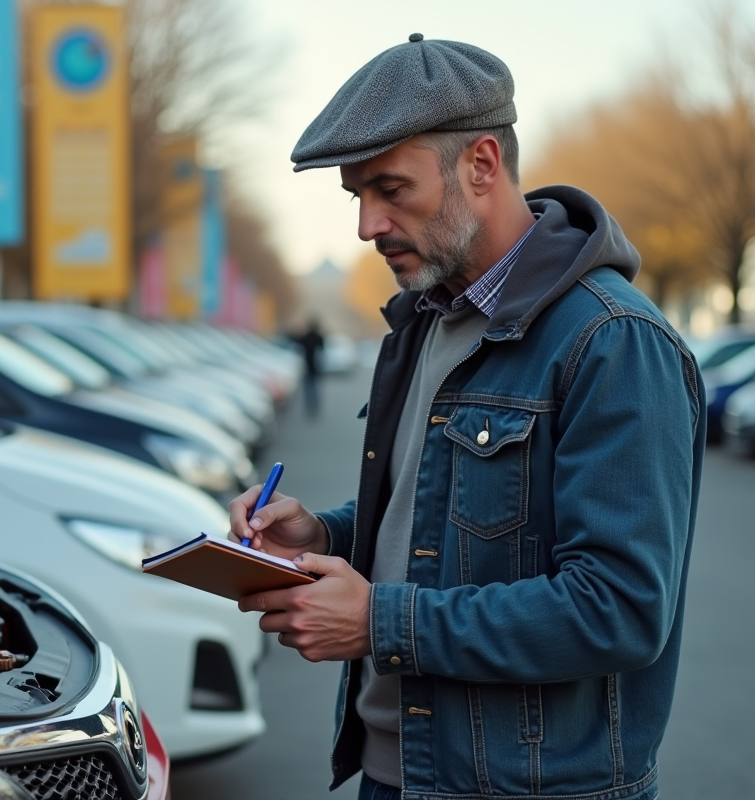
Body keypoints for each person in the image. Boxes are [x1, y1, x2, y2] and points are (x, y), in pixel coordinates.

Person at [229, 35, 704, 800]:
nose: (367, 225)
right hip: (396, 774)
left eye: (391, 189)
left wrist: (379, 623)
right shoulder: (425, 321)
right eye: (357, 196)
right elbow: (437, 521)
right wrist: (322, 536)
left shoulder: (612, 340)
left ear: (482, 164)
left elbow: (619, 609)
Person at [293, 317, 326, 418]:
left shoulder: (306, 337)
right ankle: (315, 406)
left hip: (307, 366)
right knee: (315, 388)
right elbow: (322, 350)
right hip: (316, 366)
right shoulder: (319, 337)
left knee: (308, 388)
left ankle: (309, 407)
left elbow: (297, 346)